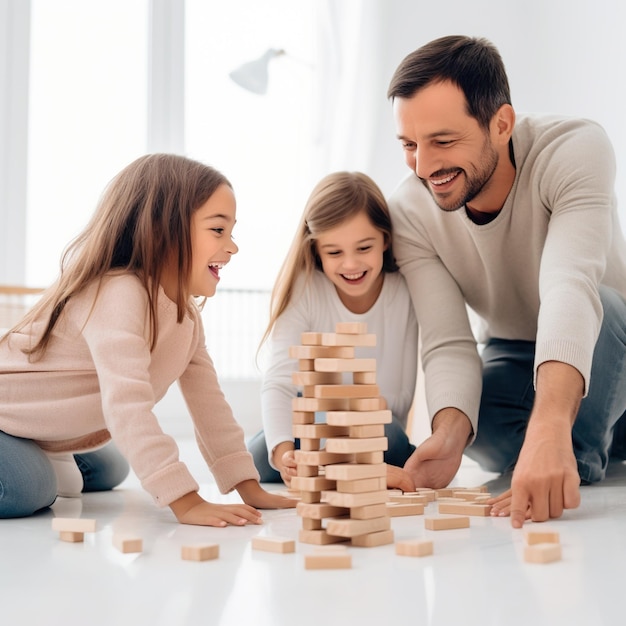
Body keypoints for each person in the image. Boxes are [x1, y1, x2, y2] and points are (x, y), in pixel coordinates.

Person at [386, 34, 626, 528]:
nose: (424, 167)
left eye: (443, 141)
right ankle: (588, 434)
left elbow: (570, 287)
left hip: (606, 328)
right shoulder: (409, 210)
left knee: (595, 318)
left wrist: (550, 424)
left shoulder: (575, 149)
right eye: (410, 145)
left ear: (501, 123)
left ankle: (568, 450)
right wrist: (450, 434)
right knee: (484, 423)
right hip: (516, 345)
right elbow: (449, 340)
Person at [0, 153, 295, 524]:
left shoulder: (185, 316)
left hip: (45, 425)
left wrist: (248, 487)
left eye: (231, 232)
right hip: (7, 416)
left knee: (112, 468)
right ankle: (37, 464)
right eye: (218, 230)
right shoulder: (118, 293)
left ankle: (42, 454)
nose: (232, 246)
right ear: (163, 230)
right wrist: (186, 501)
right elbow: (127, 405)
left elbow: (210, 405)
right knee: (28, 488)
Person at [248, 171, 418, 492]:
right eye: (334, 252)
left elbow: (400, 402)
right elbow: (280, 384)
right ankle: (341, 470)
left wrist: (352, 405)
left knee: (393, 440)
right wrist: (286, 453)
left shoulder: (404, 292)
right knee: (257, 459)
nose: (350, 264)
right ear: (316, 252)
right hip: (309, 421)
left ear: (385, 240)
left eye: (364, 248)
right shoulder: (307, 288)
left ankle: (337, 468)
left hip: (371, 426)